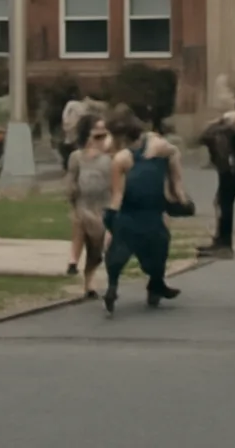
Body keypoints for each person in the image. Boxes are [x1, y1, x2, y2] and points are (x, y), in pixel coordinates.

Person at [102, 107, 192, 316]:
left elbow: (117, 194)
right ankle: (155, 284)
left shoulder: (122, 158)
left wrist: (110, 217)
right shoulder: (158, 146)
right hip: (152, 211)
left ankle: (114, 285)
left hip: (130, 212)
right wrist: (179, 195)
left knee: (117, 252)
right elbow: (174, 158)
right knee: (158, 249)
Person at [196, 78, 235, 260]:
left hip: (232, 165)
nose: (218, 96)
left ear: (233, 96)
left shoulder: (234, 117)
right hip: (227, 164)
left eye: (221, 91)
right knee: (220, 201)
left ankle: (225, 244)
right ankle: (220, 239)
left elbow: (207, 133)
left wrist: (216, 123)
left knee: (225, 203)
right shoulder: (226, 118)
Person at [66, 112, 113, 295]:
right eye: (97, 134)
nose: (101, 138)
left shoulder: (110, 156)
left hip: (103, 204)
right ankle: (73, 261)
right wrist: (71, 195)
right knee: (79, 229)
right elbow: (71, 178)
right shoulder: (77, 157)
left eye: (104, 134)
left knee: (96, 249)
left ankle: (89, 283)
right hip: (83, 202)